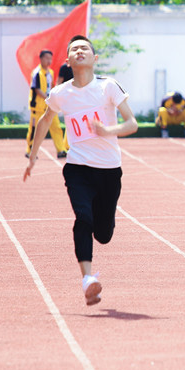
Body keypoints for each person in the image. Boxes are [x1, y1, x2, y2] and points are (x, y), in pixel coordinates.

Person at [23, 35, 138, 306]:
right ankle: (88, 278)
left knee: (104, 234)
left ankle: (98, 239)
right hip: (77, 168)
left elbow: (132, 123)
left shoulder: (108, 87)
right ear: (68, 61)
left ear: (94, 58)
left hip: (109, 170)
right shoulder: (60, 93)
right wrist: (33, 157)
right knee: (83, 218)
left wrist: (107, 130)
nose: (80, 51)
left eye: (84, 48)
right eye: (74, 49)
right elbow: (44, 121)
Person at [26, 49, 68, 159]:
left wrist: (53, 98)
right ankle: (30, 150)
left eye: (50, 58)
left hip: (49, 106)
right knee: (35, 129)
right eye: (46, 58)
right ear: (41, 59)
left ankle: (61, 150)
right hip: (38, 107)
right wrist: (48, 98)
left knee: (56, 127)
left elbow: (52, 86)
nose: (49, 61)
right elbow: (37, 89)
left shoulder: (51, 73)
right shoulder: (37, 73)